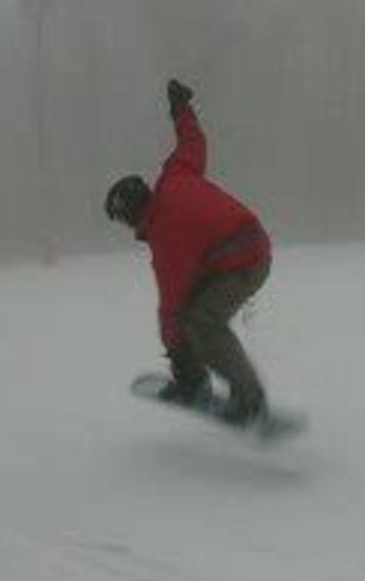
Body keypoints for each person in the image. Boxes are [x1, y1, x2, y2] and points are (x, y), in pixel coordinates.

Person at [105, 80, 272, 427]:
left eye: (121, 220)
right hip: (246, 247)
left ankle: (249, 401)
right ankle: (202, 380)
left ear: (129, 214)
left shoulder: (165, 235)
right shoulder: (175, 175)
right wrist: (181, 109)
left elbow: (172, 305)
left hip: (243, 262)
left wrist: (179, 360)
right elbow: (193, 142)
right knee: (195, 316)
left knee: (202, 323)